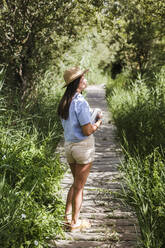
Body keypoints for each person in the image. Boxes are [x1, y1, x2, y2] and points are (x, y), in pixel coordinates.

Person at [57, 66, 102, 232]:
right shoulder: (80, 101)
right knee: (79, 186)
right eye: (82, 78)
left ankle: (67, 217)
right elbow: (87, 130)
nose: (85, 80)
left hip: (69, 147)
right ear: (76, 82)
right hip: (83, 148)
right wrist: (98, 123)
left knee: (75, 183)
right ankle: (75, 223)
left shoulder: (65, 101)